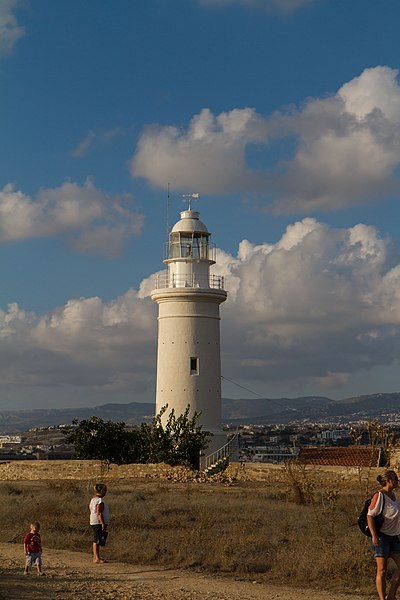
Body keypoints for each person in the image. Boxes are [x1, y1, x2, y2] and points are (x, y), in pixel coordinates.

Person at [367, 469, 400, 600]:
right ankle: (382, 598)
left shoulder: (393, 496)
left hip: (394, 537)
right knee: (382, 570)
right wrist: (374, 535)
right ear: (388, 480)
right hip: (381, 537)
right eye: (395, 478)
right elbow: (370, 515)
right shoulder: (380, 495)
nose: (397, 480)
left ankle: (391, 596)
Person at [89, 482, 109, 563]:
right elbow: (99, 512)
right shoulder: (100, 500)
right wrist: (103, 523)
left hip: (94, 521)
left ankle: (96, 557)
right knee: (97, 540)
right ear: (102, 491)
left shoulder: (93, 499)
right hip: (97, 522)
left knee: (96, 539)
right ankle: (96, 558)